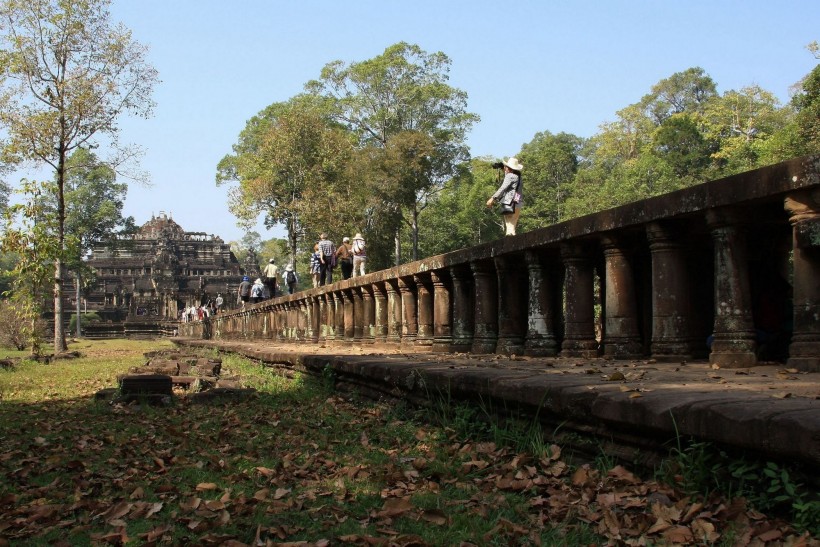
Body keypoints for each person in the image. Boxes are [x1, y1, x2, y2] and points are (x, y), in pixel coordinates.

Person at [486, 156, 523, 236]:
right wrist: (503, 167)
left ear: (508, 168)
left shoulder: (510, 176)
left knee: (509, 224)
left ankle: (510, 241)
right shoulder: (519, 177)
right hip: (518, 201)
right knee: (512, 224)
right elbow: (511, 179)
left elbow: (503, 187)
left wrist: (493, 198)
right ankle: (513, 238)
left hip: (510, 201)